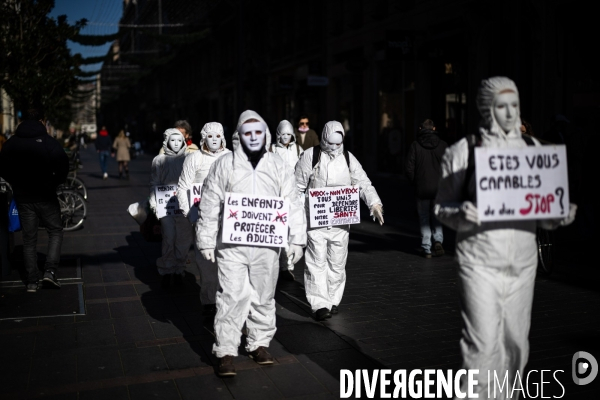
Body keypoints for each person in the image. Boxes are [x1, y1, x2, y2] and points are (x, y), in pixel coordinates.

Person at [434, 77, 577, 397]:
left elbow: (544, 214)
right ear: (487, 109)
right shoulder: (464, 151)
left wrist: (558, 215)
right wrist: (460, 213)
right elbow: (442, 207)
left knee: (515, 344)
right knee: (482, 344)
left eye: (515, 105)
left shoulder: (535, 150)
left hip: (522, 263)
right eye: (502, 106)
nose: (511, 113)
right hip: (479, 262)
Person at [197, 110, 306, 377]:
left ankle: (258, 342)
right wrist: (206, 239)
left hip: (267, 246)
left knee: (263, 295)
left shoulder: (277, 165)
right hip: (232, 244)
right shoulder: (225, 163)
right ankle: (225, 350)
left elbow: (292, 201)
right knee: (232, 295)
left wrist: (297, 238)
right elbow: (210, 201)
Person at [295, 121, 384, 321]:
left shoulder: (348, 158)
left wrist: (375, 204)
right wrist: (297, 215)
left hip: (340, 223)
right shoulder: (311, 156)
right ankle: (319, 304)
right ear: (324, 138)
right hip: (316, 222)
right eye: (330, 143)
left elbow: (362, 183)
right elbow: (297, 187)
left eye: (338, 144)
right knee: (316, 262)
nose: (334, 147)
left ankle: (333, 299)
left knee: (337, 262)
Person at [0, 104, 69, 292]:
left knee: (29, 240)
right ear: (42, 121)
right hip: (45, 195)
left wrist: (16, 182)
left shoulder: (12, 143)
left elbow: (2, 167)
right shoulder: (48, 141)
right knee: (55, 230)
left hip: (23, 198)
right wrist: (53, 182)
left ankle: (32, 281)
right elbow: (63, 165)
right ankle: (50, 272)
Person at [176, 122, 231, 315]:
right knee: (206, 264)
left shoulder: (231, 157)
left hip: (228, 221)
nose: (214, 140)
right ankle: (209, 302)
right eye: (210, 136)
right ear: (203, 138)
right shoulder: (195, 158)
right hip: (203, 220)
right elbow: (183, 187)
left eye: (218, 136)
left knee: (227, 264)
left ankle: (226, 303)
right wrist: (190, 213)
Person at [150, 128, 193, 288]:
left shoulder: (190, 158)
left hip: (183, 206)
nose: (175, 144)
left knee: (183, 239)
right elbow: (154, 182)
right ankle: (167, 270)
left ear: (183, 142)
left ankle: (179, 269)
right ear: (167, 142)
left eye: (179, 140)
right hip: (165, 206)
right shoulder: (159, 160)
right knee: (168, 237)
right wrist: (154, 202)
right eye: (172, 140)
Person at [405, 119, 448, 258]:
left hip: (422, 187)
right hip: (439, 188)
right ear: (434, 129)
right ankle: (438, 240)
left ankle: (426, 248)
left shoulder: (415, 145)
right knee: (437, 215)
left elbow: (409, 168)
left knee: (424, 217)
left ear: (420, 129)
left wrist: (415, 182)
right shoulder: (442, 145)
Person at [269, 120, 304, 281]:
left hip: (294, 195)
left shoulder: (298, 150)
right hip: (276, 196)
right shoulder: (271, 150)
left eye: (288, 135)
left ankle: (288, 265)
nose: (285, 138)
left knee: (292, 230)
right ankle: (282, 266)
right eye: (282, 134)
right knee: (279, 232)